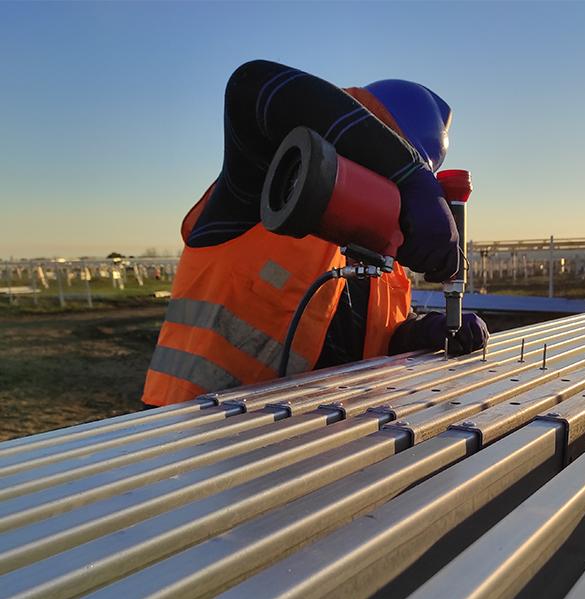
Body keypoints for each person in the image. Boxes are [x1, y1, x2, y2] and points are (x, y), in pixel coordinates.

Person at [142, 60, 488, 408]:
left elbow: (375, 337)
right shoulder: (260, 195)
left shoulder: (384, 255)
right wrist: (407, 172)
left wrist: (422, 331)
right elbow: (251, 85)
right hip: (186, 438)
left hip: (298, 447)